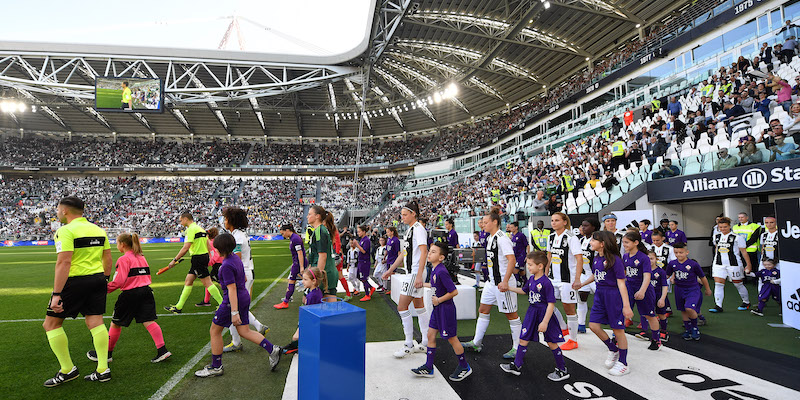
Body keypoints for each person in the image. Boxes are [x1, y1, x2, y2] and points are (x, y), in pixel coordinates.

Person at [43, 196, 113, 386]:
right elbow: (108, 258)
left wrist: (57, 294)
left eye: (58, 209)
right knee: (96, 322)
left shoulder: (65, 231)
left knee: (51, 325)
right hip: (98, 279)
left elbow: (64, 262)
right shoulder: (99, 230)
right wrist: (104, 279)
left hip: (75, 281)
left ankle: (68, 370)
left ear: (65, 210)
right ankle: (102, 369)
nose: (57, 213)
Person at [194, 234, 281, 377]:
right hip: (243, 296)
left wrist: (234, 312)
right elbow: (244, 278)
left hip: (232, 301)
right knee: (244, 331)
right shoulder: (235, 258)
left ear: (219, 249)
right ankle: (273, 350)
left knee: (215, 331)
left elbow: (232, 289)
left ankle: (216, 367)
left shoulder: (226, 265)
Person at [88, 232, 170, 364]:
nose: (116, 245)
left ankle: (106, 354)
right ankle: (162, 350)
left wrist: (103, 290)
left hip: (130, 294)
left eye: (117, 243)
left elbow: (119, 281)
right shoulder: (141, 257)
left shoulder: (123, 259)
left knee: (115, 323)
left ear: (123, 244)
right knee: (149, 321)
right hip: (146, 292)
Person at [461, 211, 522, 359]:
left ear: (495, 222)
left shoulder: (502, 238)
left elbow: (512, 260)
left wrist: (505, 281)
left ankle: (517, 347)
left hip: (502, 282)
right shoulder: (490, 238)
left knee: (511, 314)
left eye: (486, 222)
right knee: (483, 309)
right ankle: (476, 342)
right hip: (491, 282)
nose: (483, 224)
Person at [500, 251, 569, 380]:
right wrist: (508, 288)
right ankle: (517, 366)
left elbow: (551, 304)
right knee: (523, 338)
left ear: (540, 266)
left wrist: (545, 322)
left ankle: (562, 369)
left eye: (531, 265)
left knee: (551, 342)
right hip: (532, 312)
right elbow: (524, 291)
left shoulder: (546, 282)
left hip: (544, 313)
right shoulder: (531, 279)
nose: (528, 267)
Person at [410, 242, 472, 381]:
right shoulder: (434, 270)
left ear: (441, 257)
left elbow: (454, 291)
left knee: (452, 338)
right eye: (430, 251)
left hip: (445, 310)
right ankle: (429, 367)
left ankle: (464, 366)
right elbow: (434, 285)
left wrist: (439, 300)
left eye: (433, 252)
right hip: (437, 310)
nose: (429, 254)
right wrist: (421, 284)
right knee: (430, 335)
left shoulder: (442, 271)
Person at [579, 231, 633, 376]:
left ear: (602, 244)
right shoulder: (596, 258)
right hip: (600, 295)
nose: (590, 242)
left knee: (618, 330)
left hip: (614, 296)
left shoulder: (615, 260)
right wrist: (582, 283)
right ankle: (613, 349)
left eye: (593, 240)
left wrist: (626, 306)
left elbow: (622, 284)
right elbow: (595, 275)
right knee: (593, 326)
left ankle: (623, 363)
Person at [382, 201, 430, 357]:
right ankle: (425, 342)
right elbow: (403, 254)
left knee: (402, 307)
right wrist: (390, 270)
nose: (401, 217)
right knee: (419, 306)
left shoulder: (418, 229)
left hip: (414, 274)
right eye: (401, 214)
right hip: (413, 273)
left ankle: (408, 344)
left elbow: (424, 252)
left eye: (404, 214)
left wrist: (418, 275)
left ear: (413, 214)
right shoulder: (410, 230)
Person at [222, 207, 268, 352]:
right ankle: (258, 327)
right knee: (236, 307)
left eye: (225, 218)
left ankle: (236, 342)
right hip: (246, 272)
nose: (223, 221)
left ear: (231, 220)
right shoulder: (239, 234)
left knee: (234, 307)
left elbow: (237, 257)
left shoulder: (236, 237)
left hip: (244, 274)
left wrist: (235, 276)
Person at [163, 212, 223, 314]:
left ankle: (223, 305)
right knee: (188, 281)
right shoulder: (200, 229)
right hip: (202, 257)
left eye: (181, 220)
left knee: (207, 282)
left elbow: (186, 247)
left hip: (198, 258)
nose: (180, 222)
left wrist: (174, 260)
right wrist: (208, 256)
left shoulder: (190, 230)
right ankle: (178, 307)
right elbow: (208, 245)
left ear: (186, 219)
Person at [545, 212, 583, 351]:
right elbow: (548, 257)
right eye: (552, 220)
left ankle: (573, 340)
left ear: (564, 222)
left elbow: (579, 258)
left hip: (568, 279)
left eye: (556, 220)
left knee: (569, 309)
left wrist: (577, 278)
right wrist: (545, 275)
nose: (553, 223)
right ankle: (563, 328)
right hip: (553, 278)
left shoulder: (571, 237)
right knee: (547, 304)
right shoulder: (551, 237)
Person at [621, 232, 662, 351]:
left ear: (636, 243)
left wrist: (642, 291)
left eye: (627, 242)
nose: (624, 245)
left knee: (649, 315)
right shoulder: (625, 256)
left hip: (643, 288)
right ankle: (617, 337)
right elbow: (624, 274)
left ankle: (656, 339)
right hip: (629, 287)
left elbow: (647, 276)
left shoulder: (643, 257)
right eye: (623, 242)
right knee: (623, 312)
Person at [666, 243, 712, 341]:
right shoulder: (672, 263)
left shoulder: (693, 264)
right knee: (683, 310)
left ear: (687, 252)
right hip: (679, 289)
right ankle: (688, 329)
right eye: (676, 253)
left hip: (692, 289)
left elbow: (702, 277)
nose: (679, 254)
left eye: (681, 252)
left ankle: (695, 328)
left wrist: (708, 289)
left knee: (689, 308)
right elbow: (667, 275)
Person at [709, 217, 753, 313]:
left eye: (725, 227)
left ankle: (746, 302)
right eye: (721, 227)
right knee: (718, 284)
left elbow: (744, 252)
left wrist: (748, 265)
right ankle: (718, 305)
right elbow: (717, 249)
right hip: (719, 264)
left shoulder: (737, 237)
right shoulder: (716, 237)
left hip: (734, 264)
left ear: (729, 226)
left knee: (738, 284)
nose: (723, 229)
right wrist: (715, 260)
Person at [282, 267, 326, 354]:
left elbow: (309, 314)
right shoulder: (315, 291)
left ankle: (301, 347)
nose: (303, 282)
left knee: (295, 338)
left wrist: (302, 325)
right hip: (315, 321)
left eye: (305, 279)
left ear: (313, 281)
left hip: (313, 323)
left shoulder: (312, 296)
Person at [307, 205, 339, 302]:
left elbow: (322, 256)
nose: (307, 216)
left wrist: (317, 276)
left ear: (317, 216)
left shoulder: (320, 231)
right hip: (325, 270)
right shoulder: (319, 230)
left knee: (325, 306)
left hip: (325, 272)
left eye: (309, 214)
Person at [274, 224, 308, 309]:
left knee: (292, 281)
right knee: (292, 280)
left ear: (287, 230)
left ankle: (286, 301)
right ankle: (288, 297)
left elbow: (300, 253)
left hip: (298, 263)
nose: (283, 235)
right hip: (297, 263)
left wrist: (301, 267)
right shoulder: (294, 238)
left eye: (283, 233)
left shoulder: (295, 238)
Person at [577, 217, 600, 333]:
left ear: (594, 227)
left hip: (596, 275)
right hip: (584, 274)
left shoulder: (598, 240)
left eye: (586, 226)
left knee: (605, 300)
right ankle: (581, 324)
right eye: (582, 225)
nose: (583, 228)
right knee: (581, 298)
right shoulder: (581, 240)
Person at [197, 228, 223, 307]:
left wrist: (210, 262)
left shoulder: (212, 243)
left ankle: (228, 299)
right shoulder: (217, 241)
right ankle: (206, 300)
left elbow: (215, 255)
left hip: (217, 264)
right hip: (219, 263)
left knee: (219, 283)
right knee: (209, 282)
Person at [734, 212, 763, 283]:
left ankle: (754, 280)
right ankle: (744, 279)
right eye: (739, 217)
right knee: (742, 265)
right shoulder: (735, 227)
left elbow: (754, 238)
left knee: (753, 265)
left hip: (751, 249)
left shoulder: (755, 226)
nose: (740, 219)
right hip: (739, 250)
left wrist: (743, 245)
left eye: (742, 217)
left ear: (747, 217)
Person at [647, 251, 670, 343]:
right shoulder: (644, 271)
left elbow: (665, 286)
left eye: (652, 259)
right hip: (648, 296)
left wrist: (662, 298)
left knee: (661, 314)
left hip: (658, 296)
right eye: (648, 259)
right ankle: (646, 331)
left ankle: (664, 331)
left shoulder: (661, 272)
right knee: (647, 314)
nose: (650, 261)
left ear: (656, 259)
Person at [355, 225, 375, 301]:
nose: (358, 233)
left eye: (359, 231)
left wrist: (357, 245)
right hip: (361, 261)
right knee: (359, 276)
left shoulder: (366, 240)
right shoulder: (362, 239)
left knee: (363, 277)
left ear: (364, 231)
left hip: (364, 261)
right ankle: (370, 287)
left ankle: (367, 294)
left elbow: (364, 251)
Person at [507, 221, 530, 287]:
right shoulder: (511, 236)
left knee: (515, 270)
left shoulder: (521, 235)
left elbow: (527, 245)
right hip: (514, 256)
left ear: (516, 227)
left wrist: (527, 255)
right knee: (521, 271)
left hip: (521, 255)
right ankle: (526, 283)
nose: (510, 228)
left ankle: (517, 284)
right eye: (510, 227)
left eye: (512, 227)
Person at [385, 226, 401, 294]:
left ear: (392, 232)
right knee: (389, 274)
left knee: (392, 274)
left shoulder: (396, 240)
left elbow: (398, 251)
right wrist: (385, 257)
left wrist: (399, 261)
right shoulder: (389, 239)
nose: (387, 233)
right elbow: (387, 249)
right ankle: (392, 289)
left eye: (388, 232)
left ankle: (393, 289)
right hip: (389, 258)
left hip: (393, 259)